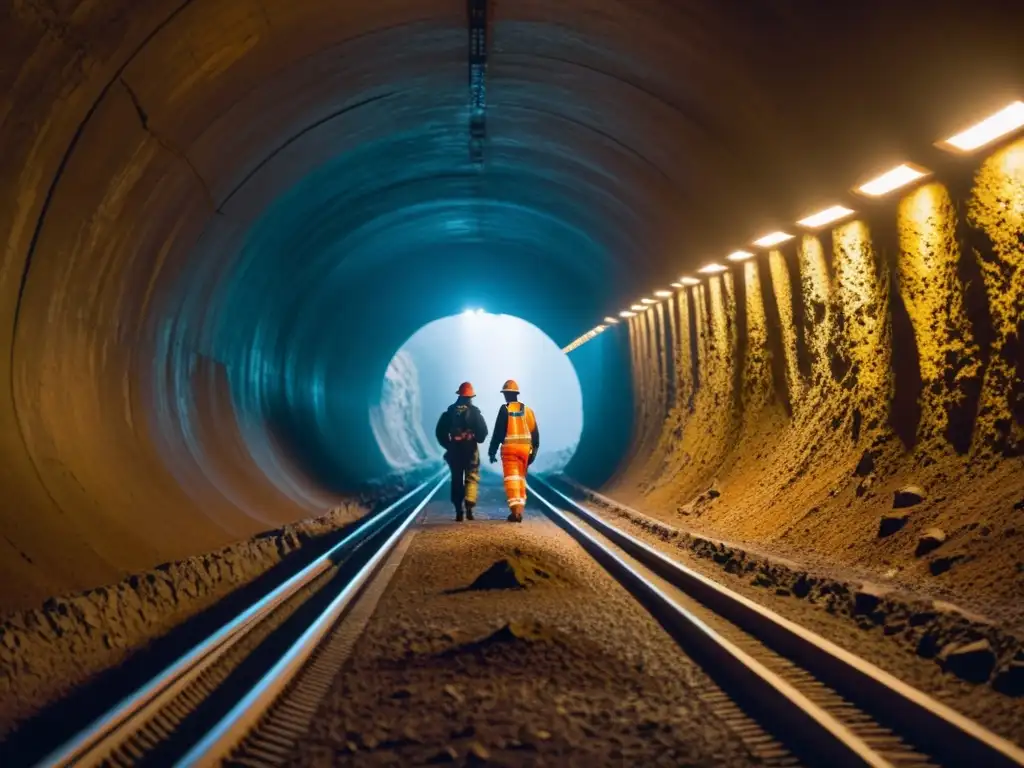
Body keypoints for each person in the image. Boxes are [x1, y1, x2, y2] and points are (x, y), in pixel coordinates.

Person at [487, 379, 539, 522]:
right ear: (517, 394)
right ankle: (519, 509)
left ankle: (515, 512)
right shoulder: (528, 411)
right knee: (521, 479)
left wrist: (492, 452)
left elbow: (498, 433)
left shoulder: (505, 409)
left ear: (505, 395)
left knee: (512, 480)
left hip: (510, 451)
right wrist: (532, 454)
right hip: (524, 450)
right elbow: (535, 436)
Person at [435, 382, 489, 521]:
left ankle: (459, 510)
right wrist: (476, 438)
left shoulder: (449, 413)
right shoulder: (475, 413)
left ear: (459, 395)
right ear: (470, 397)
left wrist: (449, 445)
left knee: (457, 479)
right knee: (471, 477)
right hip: (470, 449)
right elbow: (483, 432)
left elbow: (440, 432)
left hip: (455, 451)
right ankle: (469, 507)